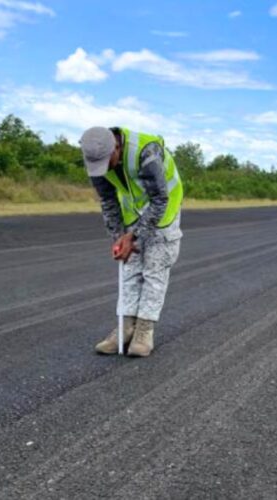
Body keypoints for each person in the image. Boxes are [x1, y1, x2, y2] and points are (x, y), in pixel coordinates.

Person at [80, 126, 183, 358]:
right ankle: (125, 327)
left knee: (154, 269)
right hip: (133, 212)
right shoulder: (94, 154)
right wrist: (118, 237)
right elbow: (107, 200)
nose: (103, 169)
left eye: (108, 162)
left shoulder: (147, 152)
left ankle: (144, 330)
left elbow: (159, 199)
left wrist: (133, 235)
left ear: (116, 147)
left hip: (163, 210)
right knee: (130, 267)